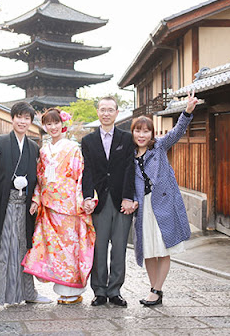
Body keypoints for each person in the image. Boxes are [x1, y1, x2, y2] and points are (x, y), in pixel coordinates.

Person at [122, 90, 198, 306]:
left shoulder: (159, 148)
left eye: (146, 131)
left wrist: (188, 111)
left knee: (163, 248)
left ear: (152, 134)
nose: (142, 135)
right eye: (138, 131)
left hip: (162, 205)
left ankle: (156, 290)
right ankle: (153, 288)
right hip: (143, 208)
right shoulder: (130, 157)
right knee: (148, 251)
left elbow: (177, 131)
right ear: (133, 133)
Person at [0, 101, 52, 311]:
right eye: (19, 117)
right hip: (0, 205)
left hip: (23, 207)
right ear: (12, 118)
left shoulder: (34, 147)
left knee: (21, 251)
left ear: (31, 122)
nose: (23, 121)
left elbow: (39, 180)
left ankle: (28, 293)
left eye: (27, 118)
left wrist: (35, 198)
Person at [22, 108, 95, 305]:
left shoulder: (72, 148)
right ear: (44, 126)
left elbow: (80, 176)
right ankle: (63, 289)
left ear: (63, 124)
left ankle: (73, 289)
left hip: (69, 206)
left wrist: (84, 200)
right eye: (48, 124)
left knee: (69, 248)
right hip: (48, 207)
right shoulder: (44, 151)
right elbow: (39, 178)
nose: (52, 127)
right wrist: (36, 199)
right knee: (55, 249)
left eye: (56, 123)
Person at [81, 96, 135, 307]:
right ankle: (99, 291)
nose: (106, 113)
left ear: (116, 113)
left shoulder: (126, 138)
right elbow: (86, 171)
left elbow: (131, 169)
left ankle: (115, 290)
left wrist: (128, 197)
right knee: (99, 247)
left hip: (122, 201)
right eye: (102, 109)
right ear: (97, 112)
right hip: (99, 201)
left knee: (120, 247)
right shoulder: (88, 141)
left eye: (110, 109)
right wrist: (87, 196)